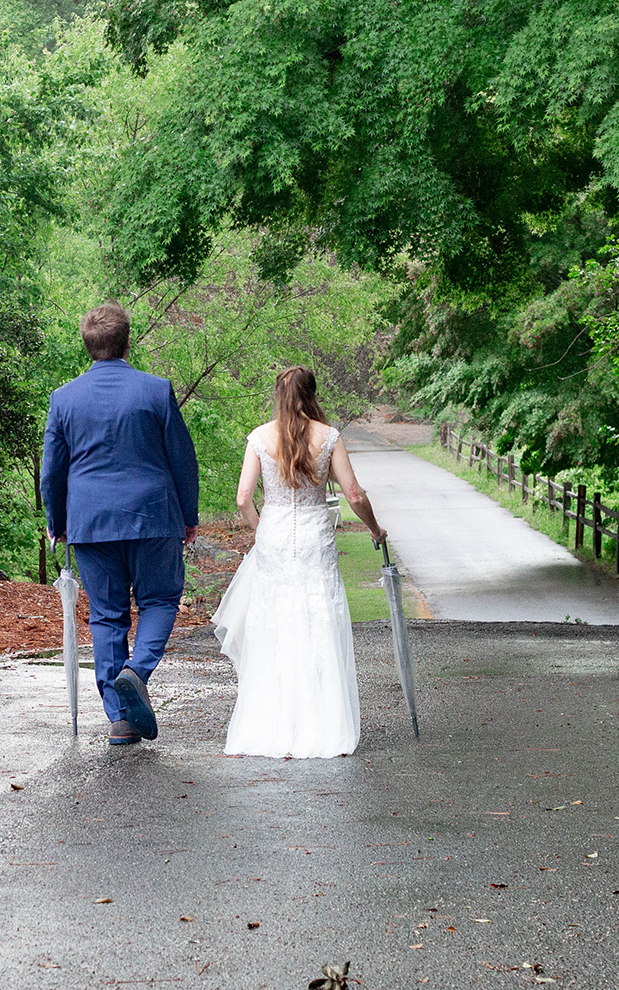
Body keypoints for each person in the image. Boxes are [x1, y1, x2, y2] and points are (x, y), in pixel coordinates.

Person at [40, 302, 200, 746]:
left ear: (88, 346)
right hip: (153, 515)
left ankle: (120, 717)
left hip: (90, 522)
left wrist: (58, 522)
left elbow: (51, 469)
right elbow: (182, 460)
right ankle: (137, 671)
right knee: (161, 600)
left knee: (108, 618)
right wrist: (188, 517)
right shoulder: (155, 390)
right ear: (128, 341)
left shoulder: (64, 398)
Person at [213, 366, 387, 759]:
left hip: (274, 536)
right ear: (312, 394)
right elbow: (354, 495)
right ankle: (322, 725)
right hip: (313, 537)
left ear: (278, 394)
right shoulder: (329, 437)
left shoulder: (260, 437)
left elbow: (243, 498)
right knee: (316, 619)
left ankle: (269, 725)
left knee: (274, 625)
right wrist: (375, 529)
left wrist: (262, 531)